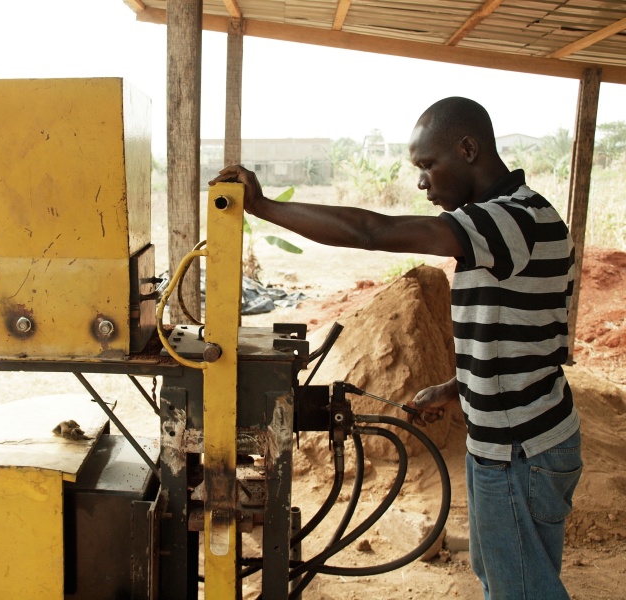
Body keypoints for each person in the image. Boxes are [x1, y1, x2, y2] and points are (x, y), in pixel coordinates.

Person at [209, 96, 582, 599]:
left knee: (519, 590)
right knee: (508, 576)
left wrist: (265, 207)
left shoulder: (508, 220)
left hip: (518, 449)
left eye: (428, 164)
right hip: (521, 438)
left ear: (468, 148)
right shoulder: (511, 222)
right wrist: (457, 387)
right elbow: (526, 338)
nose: (422, 181)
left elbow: (372, 232)